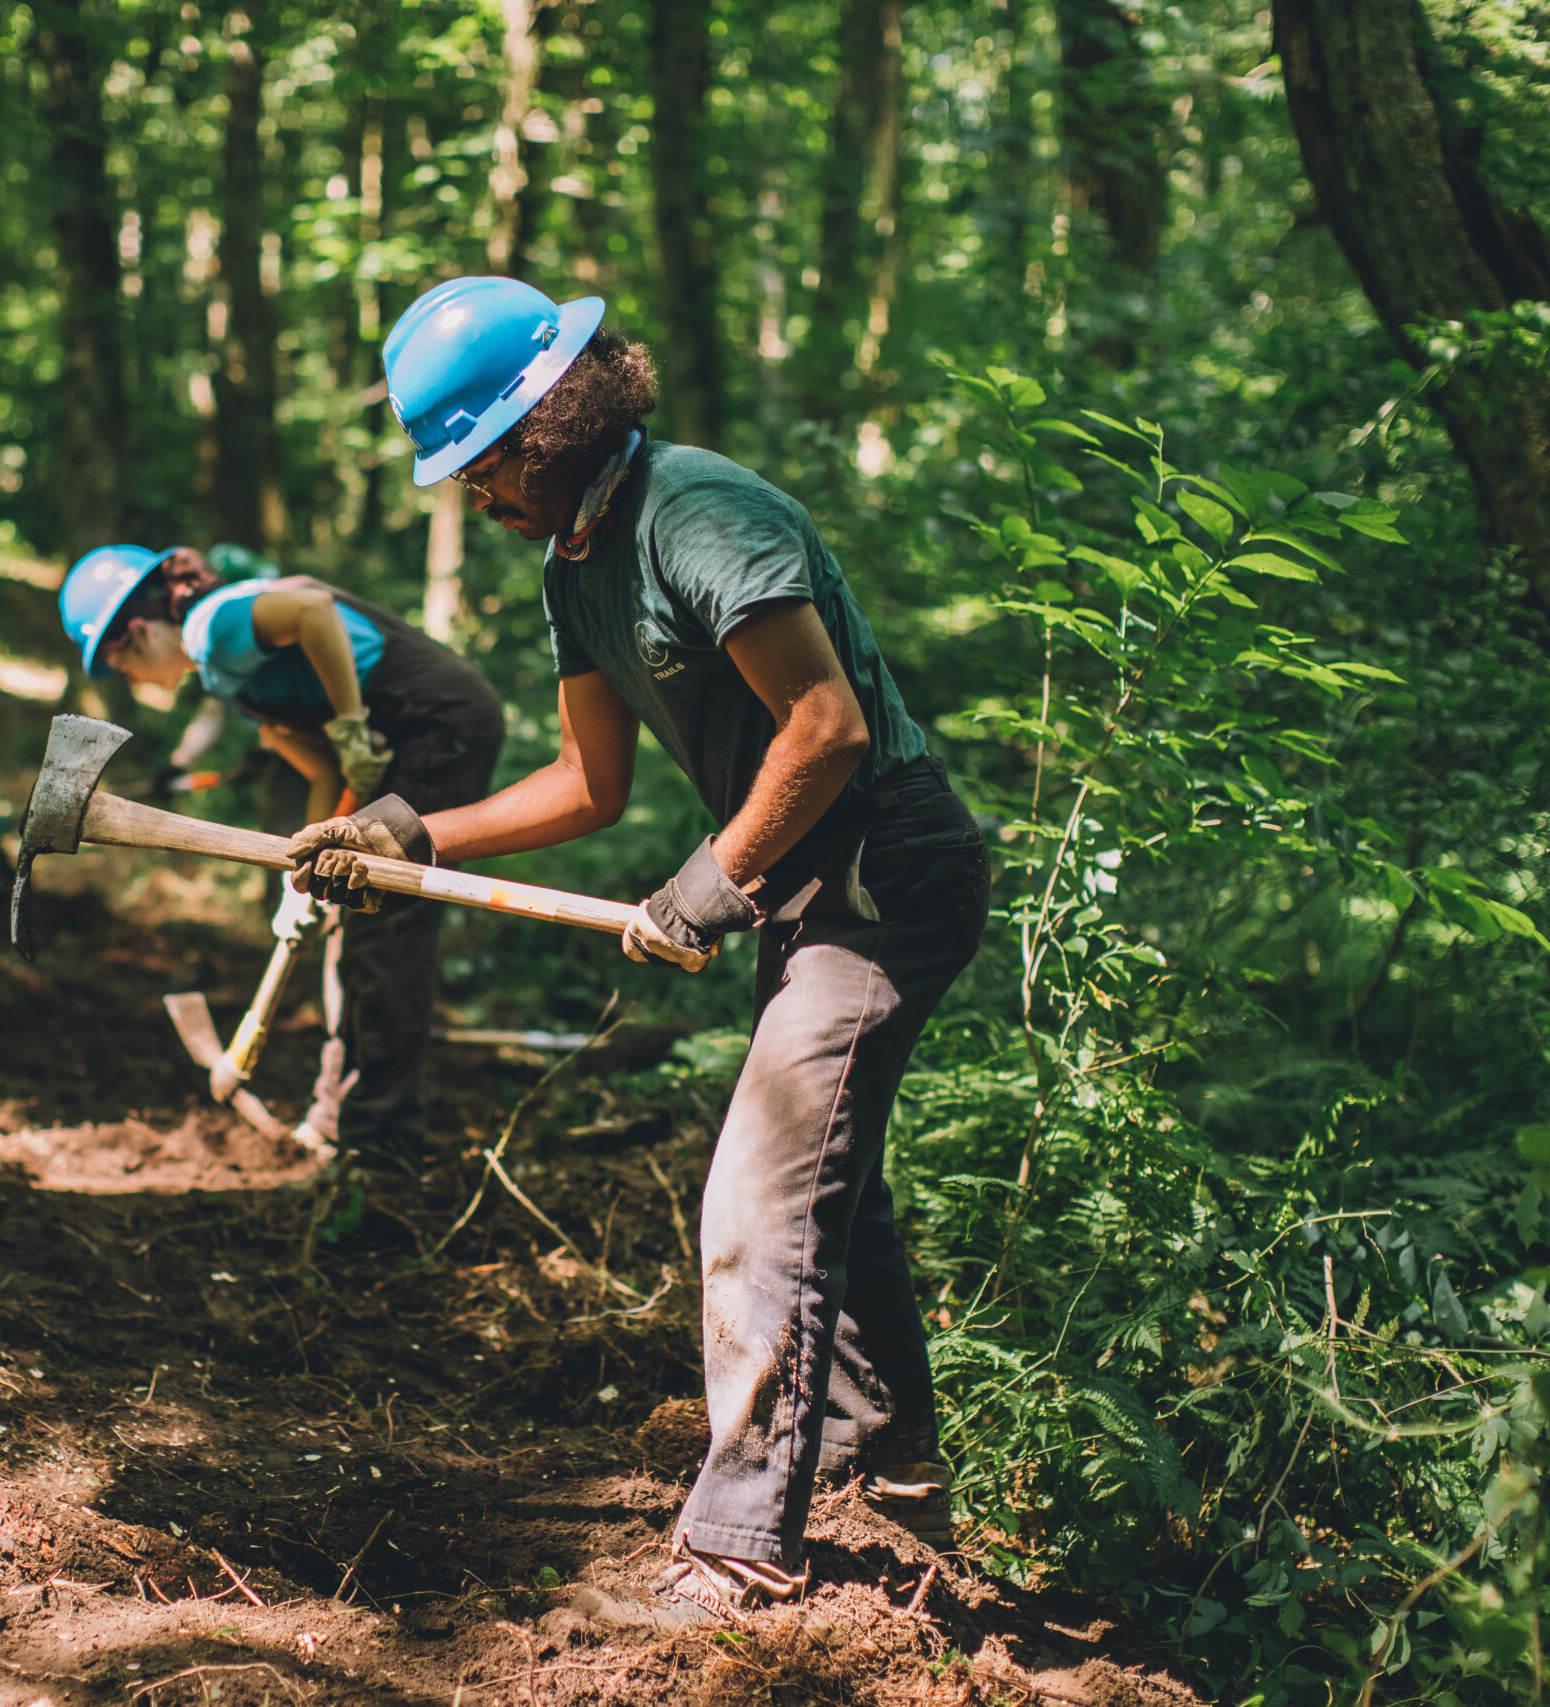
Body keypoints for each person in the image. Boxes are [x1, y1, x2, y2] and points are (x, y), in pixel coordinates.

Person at [289, 277, 987, 1618]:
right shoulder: (574, 566)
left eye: (478, 469)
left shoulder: (700, 514)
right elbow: (584, 783)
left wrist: (711, 879)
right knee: (835, 1184)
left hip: (885, 873)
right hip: (804, 884)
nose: (474, 500)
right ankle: (896, 1480)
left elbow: (827, 727)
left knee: (759, 1201)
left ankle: (737, 1539)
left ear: (540, 435)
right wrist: (416, 835)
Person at [57, 542, 504, 1162]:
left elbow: (313, 610)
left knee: (384, 925)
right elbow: (323, 769)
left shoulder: (212, 627)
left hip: (436, 725)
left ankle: (376, 1146)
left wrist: (350, 723)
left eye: (119, 667)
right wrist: (306, 876)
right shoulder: (230, 678)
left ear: (135, 632)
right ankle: (337, 1120)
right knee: (351, 916)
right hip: (401, 738)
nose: (129, 680)